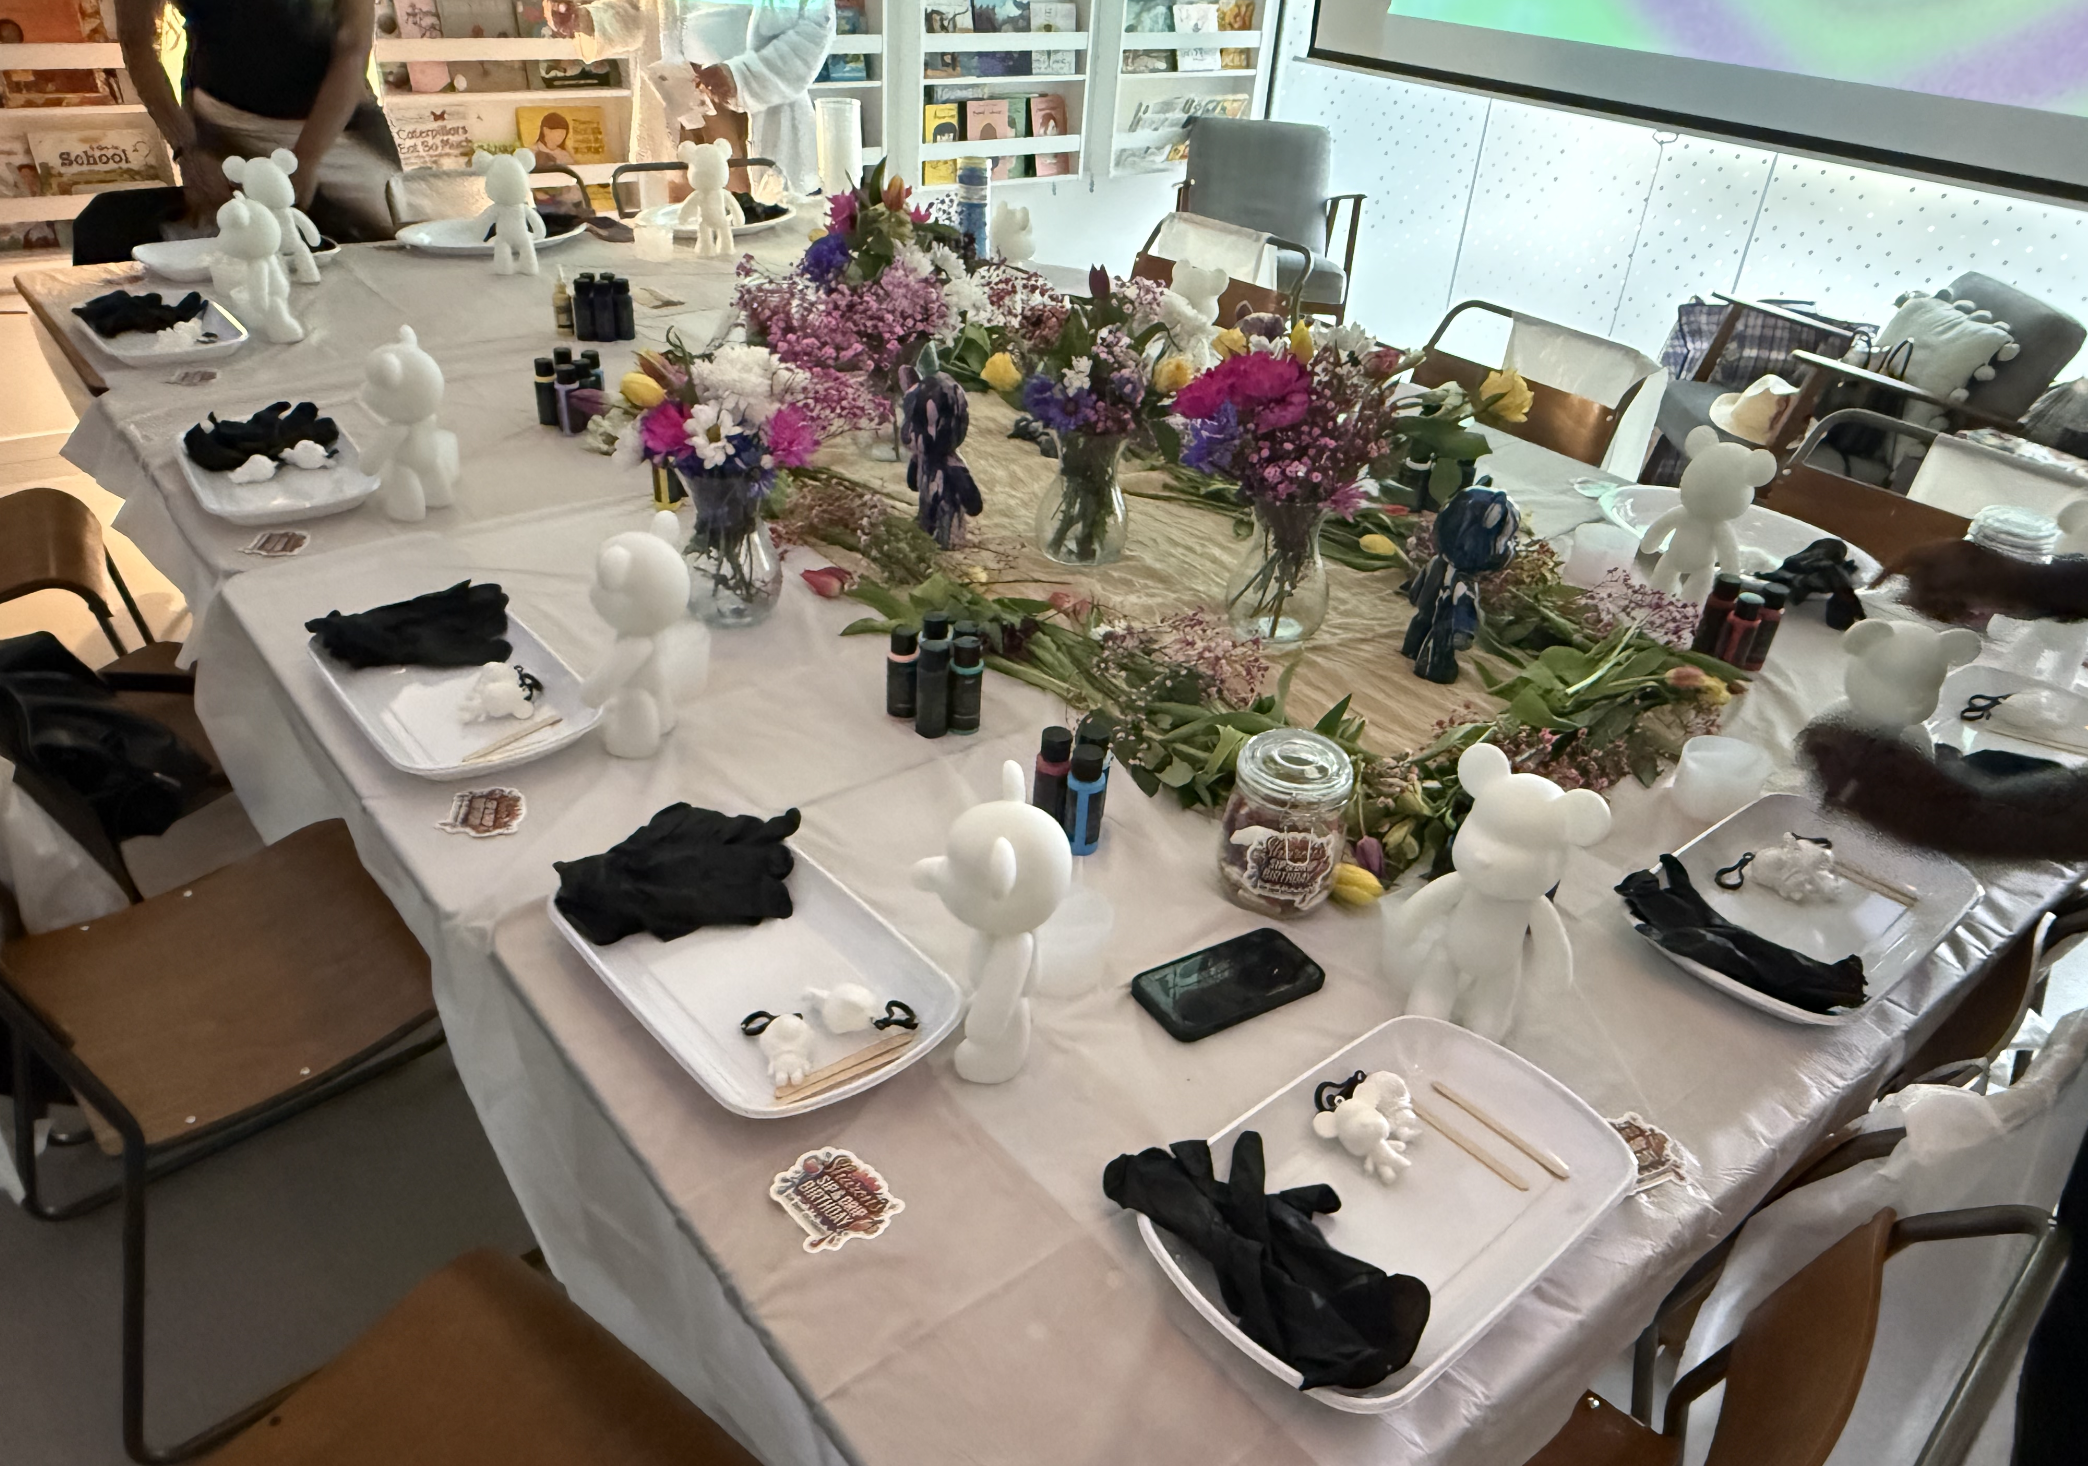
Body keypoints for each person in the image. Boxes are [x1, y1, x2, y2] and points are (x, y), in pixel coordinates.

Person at [115, 0, 403, 242]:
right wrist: (187, 150)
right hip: (225, 123)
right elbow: (136, 41)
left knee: (392, 251)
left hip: (340, 124)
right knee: (242, 257)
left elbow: (353, 46)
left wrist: (307, 156)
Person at [546, 0, 833, 210]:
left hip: (758, 107)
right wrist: (586, 20)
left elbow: (815, 26)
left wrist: (742, 78)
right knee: (688, 230)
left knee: (759, 230)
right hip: (682, 100)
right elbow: (639, 14)